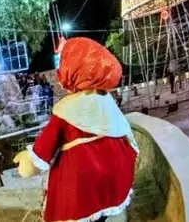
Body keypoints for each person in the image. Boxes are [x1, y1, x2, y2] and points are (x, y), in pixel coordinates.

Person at [13, 37, 138, 222]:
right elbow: (129, 140)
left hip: (81, 191)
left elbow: (42, 151)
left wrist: (25, 161)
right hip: (113, 183)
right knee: (101, 216)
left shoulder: (67, 110)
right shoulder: (108, 103)